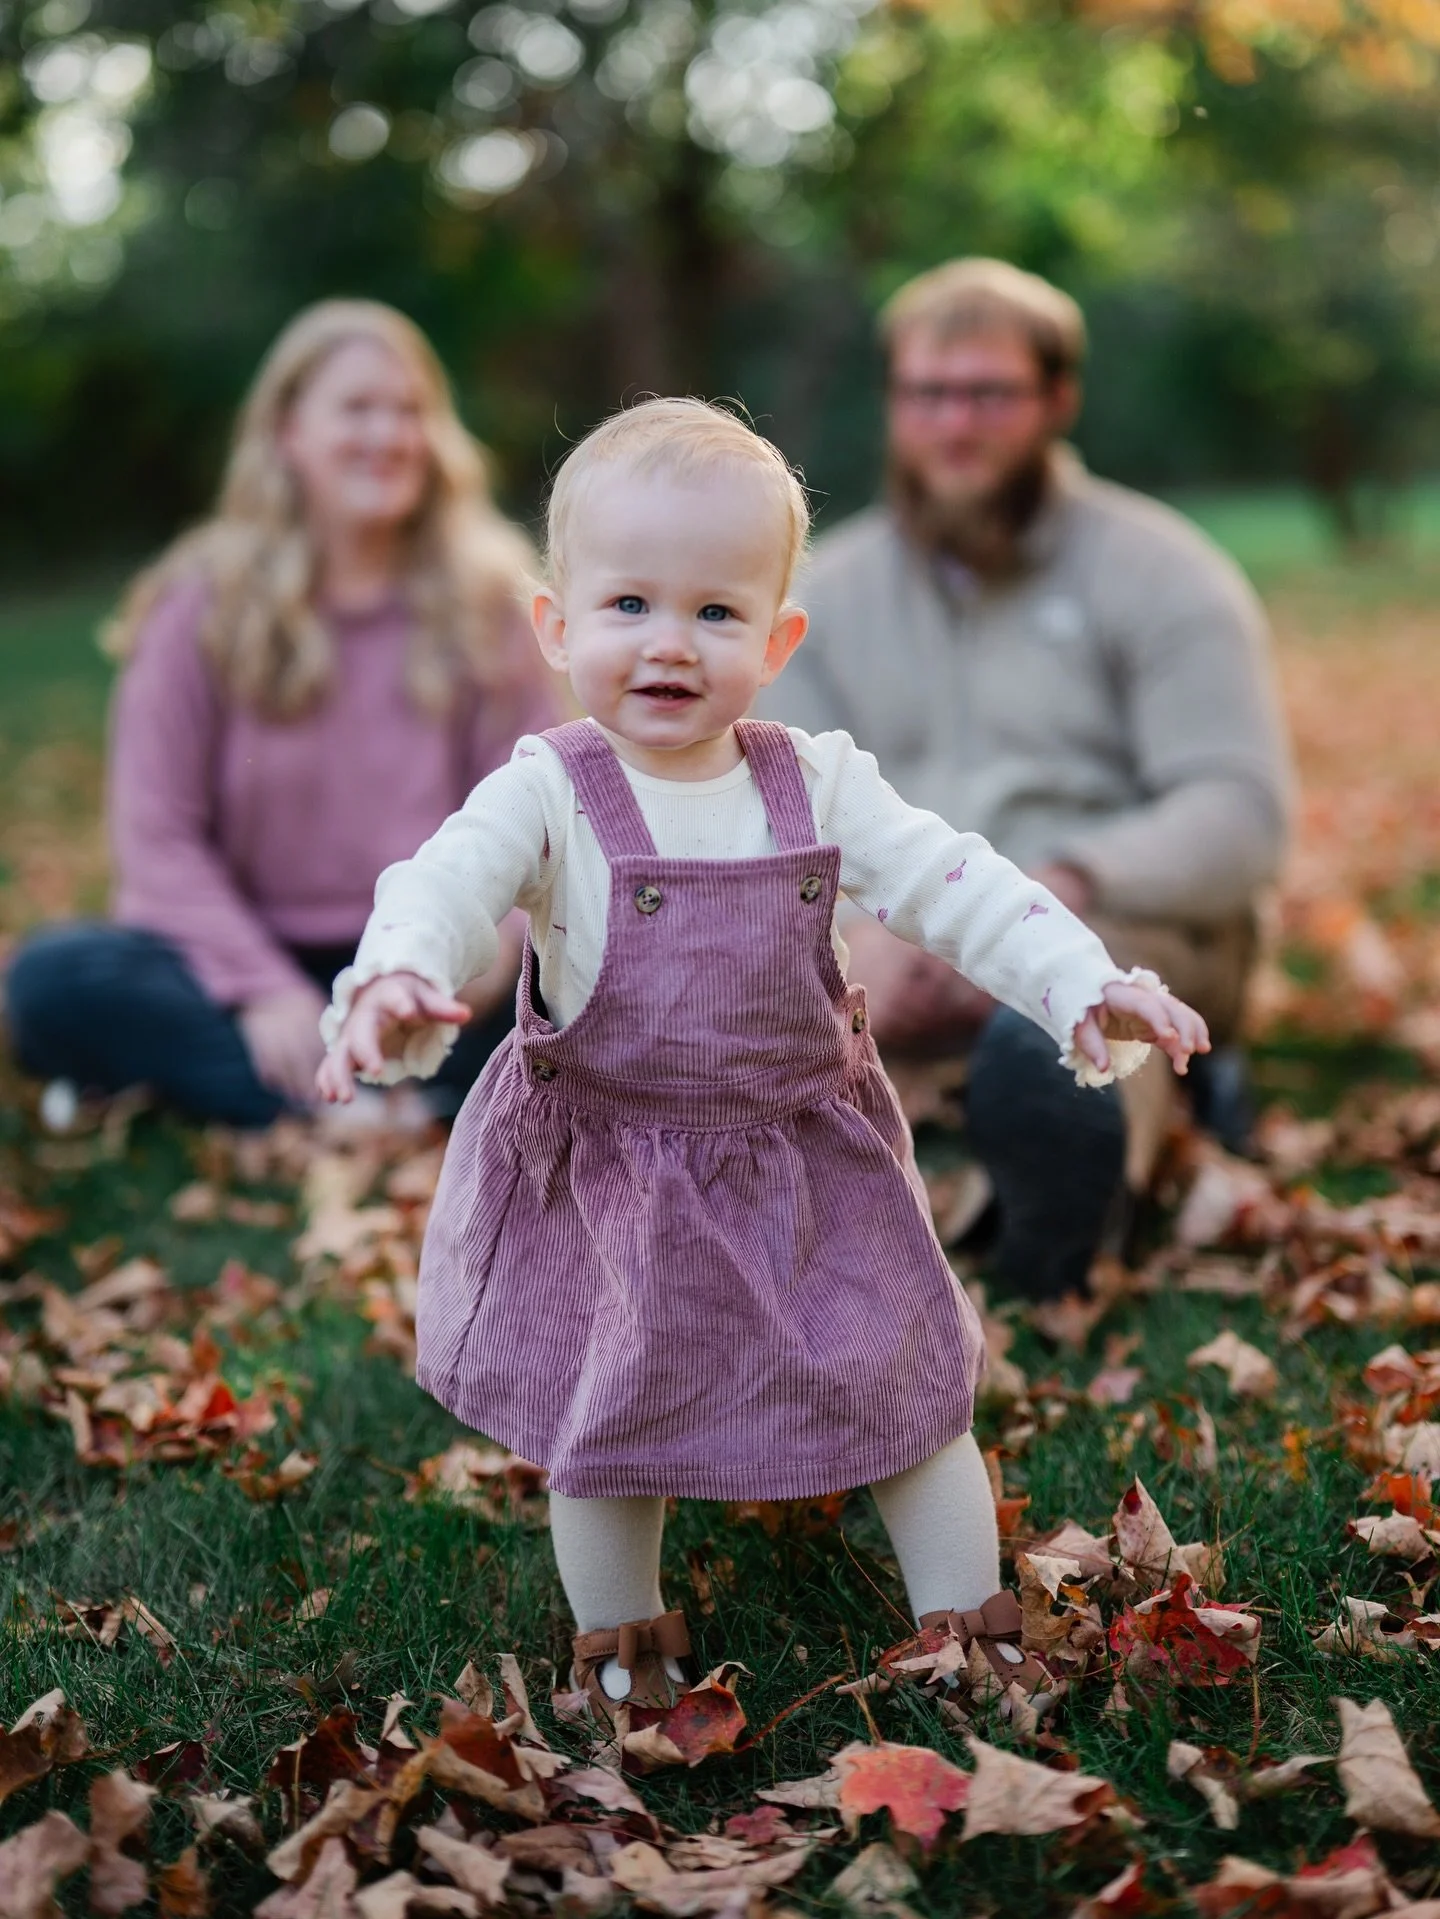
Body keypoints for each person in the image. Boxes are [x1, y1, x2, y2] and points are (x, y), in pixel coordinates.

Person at [317, 398, 1209, 1721]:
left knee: (907, 1385)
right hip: (614, 1163)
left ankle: (965, 1622)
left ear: (778, 639)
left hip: (807, 1149)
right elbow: (442, 884)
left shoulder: (815, 780)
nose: (669, 643)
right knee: (608, 1413)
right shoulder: (548, 788)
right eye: (627, 604)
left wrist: (1082, 978)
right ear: (557, 625)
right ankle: (623, 1639)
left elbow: (958, 881)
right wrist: (401, 969)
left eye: (717, 613)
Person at [759, 258, 1292, 1299]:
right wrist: (864, 936)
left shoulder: (1162, 570)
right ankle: (882, 1180)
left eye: (990, 393)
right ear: (895, 402)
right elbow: (774, 805)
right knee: (771, 988)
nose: (956, 423)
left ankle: (1064, 1196)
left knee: (1075, 1007)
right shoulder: (823, 593)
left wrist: (1059, 890)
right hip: (898, 933)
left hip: (1122, 914)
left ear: (1059, 399)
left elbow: (1242, 813)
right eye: (929, 394)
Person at [4, 300, 559, 1129]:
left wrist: (481, 958)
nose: (389, 434)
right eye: (358, 409)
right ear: (288, 432)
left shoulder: (491, 601)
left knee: (601, 963)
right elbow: (157, 840)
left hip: (432, 950)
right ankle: (378, 1095)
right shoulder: (199, 606)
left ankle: (318, 1092)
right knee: (54, 978)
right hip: (243, 953)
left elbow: (535, 813)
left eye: (410, 410)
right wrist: (263, 990)